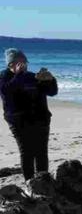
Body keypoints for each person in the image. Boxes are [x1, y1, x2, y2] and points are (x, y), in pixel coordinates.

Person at [1, 48, 58, 181]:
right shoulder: (4, 77)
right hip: (18, 120)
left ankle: (43, 182)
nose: (23, 65)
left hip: (40, 118)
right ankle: (29, 182)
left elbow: (52, 92)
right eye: (18, 63)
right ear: (10, 64)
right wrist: (18, 75)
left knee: (41, 153)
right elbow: (6, 91)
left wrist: (50, 80)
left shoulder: (32, 76)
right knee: (27, 152)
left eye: (24, 62)